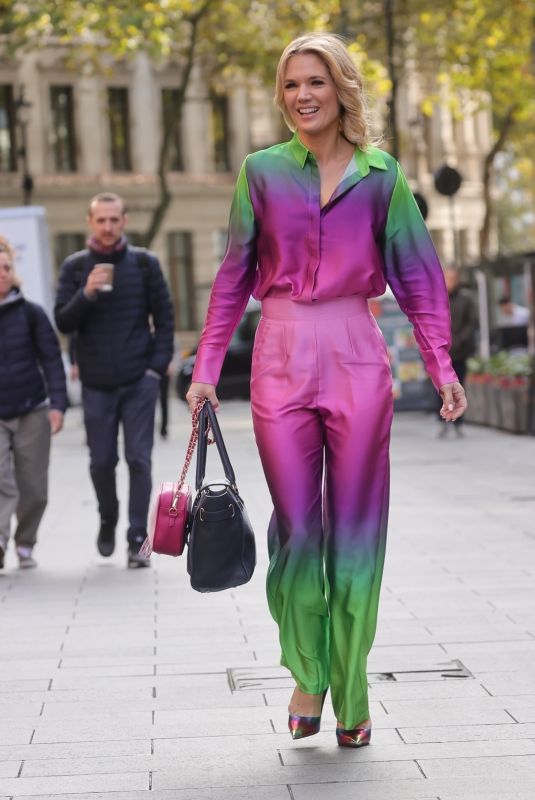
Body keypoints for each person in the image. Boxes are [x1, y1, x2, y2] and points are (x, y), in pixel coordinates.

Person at [186, 33, 467, 747]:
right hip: (278, 355)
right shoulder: (259, 173)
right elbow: (233, 275)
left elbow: (417, 278)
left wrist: (441, 366)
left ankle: (350, 684)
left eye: (314, 82)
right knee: (297, 530)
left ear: (340, 88)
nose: (301, 95)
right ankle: (307, 669)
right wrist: (207, 367)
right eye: (289, 86)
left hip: (355, 355)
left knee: (355, 533)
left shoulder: (382, 178)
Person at [54, 193, 174, 568]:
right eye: (100, 220)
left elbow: (166, 318)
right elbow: (63, 321)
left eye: (114, 220)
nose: (107, 227)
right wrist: (86, 293)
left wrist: (155, 370)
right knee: (101, 462)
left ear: (124, 221)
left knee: (139, 460)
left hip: (138, 380)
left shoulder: (144, 264)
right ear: (90, 222)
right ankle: (108, 517)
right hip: (96, 385)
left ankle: (137, 537)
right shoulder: (75, 268)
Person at [0, 235, 67, 570]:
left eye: (6, 267)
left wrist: (58, 404)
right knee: (2, 483)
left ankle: (25, 542)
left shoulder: (31, 313)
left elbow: (52, 360)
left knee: (34, 488)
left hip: (31, 409)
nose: (2, 273)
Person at [439, 267, 478, 436]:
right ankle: (443, 420)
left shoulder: (466, 298)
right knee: (440, 386)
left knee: (459, 384)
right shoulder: (437, 297)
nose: (450, 281)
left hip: (460, 351)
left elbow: (472, 322)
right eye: (447, 278)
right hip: (441, 353)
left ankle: (458, 422)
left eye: (453, 278)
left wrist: (460, 340)